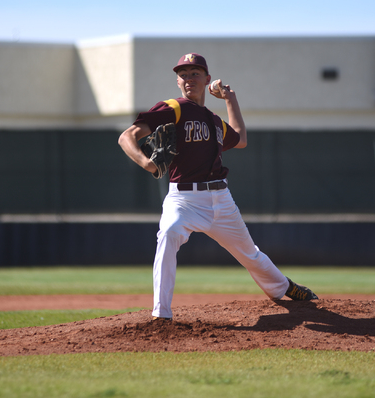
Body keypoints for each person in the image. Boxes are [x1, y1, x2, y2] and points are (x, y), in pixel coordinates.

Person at [118, 53, 317, 320]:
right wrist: (148, 164)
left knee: (250, 254)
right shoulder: (173, 108)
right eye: (183, 74)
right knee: (168, 235)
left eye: (195, 73)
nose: (189, 79)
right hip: (184, 199)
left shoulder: (212, 120)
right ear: (178, 81)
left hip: (221, 199)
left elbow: (241, 138)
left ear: (207, 79)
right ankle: (161, 315)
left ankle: (285, 287)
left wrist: (229, 99)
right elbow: (127, 136)